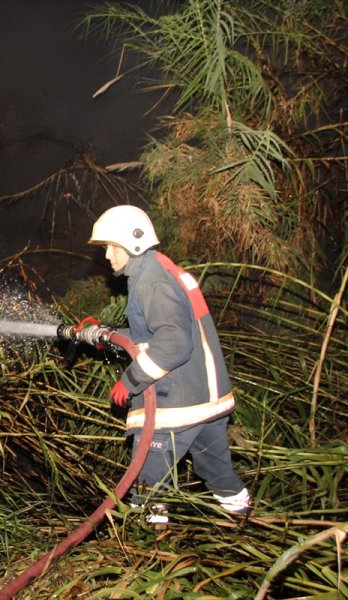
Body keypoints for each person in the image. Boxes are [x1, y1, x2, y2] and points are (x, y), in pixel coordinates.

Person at [88, 205, 250, 526]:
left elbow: (174, 342)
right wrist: (104, 335)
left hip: (177, 407)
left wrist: (131, 381)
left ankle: (149, 556)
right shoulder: (161, 270)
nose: (107, 256)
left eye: (112, 247)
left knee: (146, 491)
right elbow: (154, 333)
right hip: (207, 402)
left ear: (132, 243)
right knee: (220, 477)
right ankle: (248, 529)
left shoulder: (151, 281)